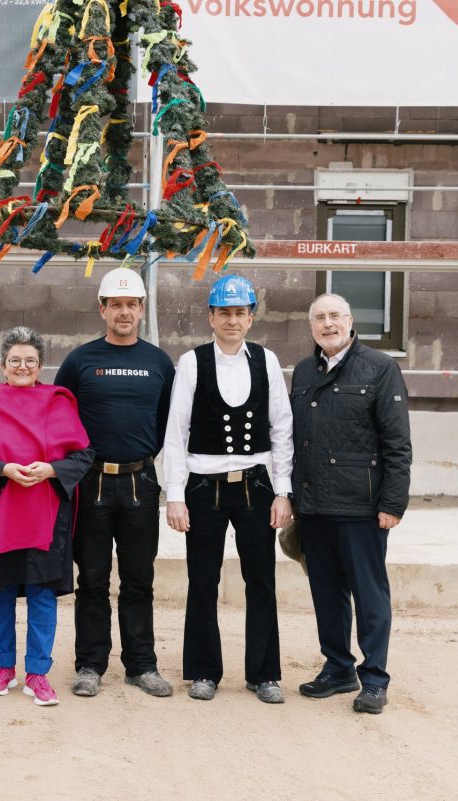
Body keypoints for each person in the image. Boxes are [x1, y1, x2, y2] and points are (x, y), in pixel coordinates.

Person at [164, 274, 295, 703]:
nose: (232, 320)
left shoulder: (267, 360)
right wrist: (176, 495)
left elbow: (282, 429)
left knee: (261, 579)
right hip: (204, 488)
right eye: (225, 313)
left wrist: (283, 490)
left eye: (240, 313)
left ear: (251, 317)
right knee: (202, 579)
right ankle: (203, 670)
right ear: (211, 317)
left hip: (256, 485)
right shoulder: (191, 362)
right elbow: (175, 432)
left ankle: (264, 674)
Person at [0, 327, 94, 706]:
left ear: (41, 365)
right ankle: (2, 668)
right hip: (0, 514)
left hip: (46, 517)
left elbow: (82, 455)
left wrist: (51, 470)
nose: (22, 366)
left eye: (30, 361)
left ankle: (38, 673)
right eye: (14, 360)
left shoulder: (58, 402)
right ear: (2, 366)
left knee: (42, 595)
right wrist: (2, 469)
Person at [54, 267, 176, 699]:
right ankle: (90, 664)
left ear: (141, 309)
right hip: (92, 483)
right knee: (91, 578)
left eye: (132, 305)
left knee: (139, 579)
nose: (124, 312)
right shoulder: (81, 360)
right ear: (101, 309)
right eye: (116, 305)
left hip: (141, 483)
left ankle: (141, 665)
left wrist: (141, 456)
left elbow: (167, 425)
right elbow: (59, 417)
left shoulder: (159, 362)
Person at [291, 293, 411, 715]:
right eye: (319, 317)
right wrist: (292, 497)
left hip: (361, 507)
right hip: (315, 505)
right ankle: (338, 667)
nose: (328, 324)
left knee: (369, 595)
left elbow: (397, 444)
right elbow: (296, 440)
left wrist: (393, 503)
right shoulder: (304, 372)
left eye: (335, 316)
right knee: (326, 592)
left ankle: (374, 678)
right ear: (311, 326)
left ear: (350, 320)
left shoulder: (380, 369)